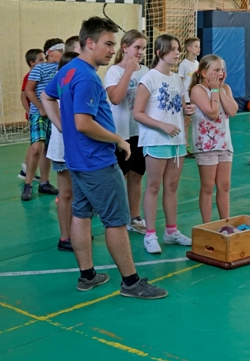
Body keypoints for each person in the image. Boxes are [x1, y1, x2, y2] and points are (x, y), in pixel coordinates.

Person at [43, 16, 167, 299]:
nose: (113, 50)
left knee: (81, 213)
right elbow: (83, 123)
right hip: (96, 160)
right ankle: (131, 282)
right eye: (108, 44)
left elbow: (48, 98)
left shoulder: (68, 69)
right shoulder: (87, 77)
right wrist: (118, 139)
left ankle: (87, 276)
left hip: (77, 159)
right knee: (116, 221)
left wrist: (61, 126)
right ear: (90, 43)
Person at [134, 34, 195, 252]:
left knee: (172, 187)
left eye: (178, 49)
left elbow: (180, 108)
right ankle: (150, 234)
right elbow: (137, 113)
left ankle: (171, 231)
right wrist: (163, 126)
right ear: (160, 53)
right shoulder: (149, 78)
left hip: (177, 141)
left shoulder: (178, 79)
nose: (177, 53)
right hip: (156, 140)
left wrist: (188, 110)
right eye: (173, 49)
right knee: (153, 186)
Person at [104, 30, 149, 233]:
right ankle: (117, 217)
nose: (140, 52)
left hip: (141, 132)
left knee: (137, 175)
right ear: (124, 48)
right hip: (121, 134)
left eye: (143, 48)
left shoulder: (146, 71)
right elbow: (116, 98)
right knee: (119, 177)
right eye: (137, 47)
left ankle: (134, 216)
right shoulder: (114, 71)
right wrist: (129, 71)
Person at [189, 55, 237, 222]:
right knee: (208, 186)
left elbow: (232, 110)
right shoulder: (198, 90)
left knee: (224, 185)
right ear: (204, 73)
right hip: (206, 145)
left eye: (222, 70)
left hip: (224, 144)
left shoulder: (225, 89)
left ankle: (226, 221)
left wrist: (220, 89)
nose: (221, 73)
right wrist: (215, 90)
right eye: (216, 70)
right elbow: (212, 112)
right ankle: (207, 225)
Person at [43, 51, 79, 252]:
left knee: (78, 194)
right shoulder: (59, 88)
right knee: (66, 193)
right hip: (63, 149)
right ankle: (65, 236)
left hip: (78, 148)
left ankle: (76, 231)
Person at [21, 39, 63, 200]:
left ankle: (44, 183)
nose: (63, 53)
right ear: (49, 53)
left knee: (48, 149)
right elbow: (28, 90)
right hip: (39, 113)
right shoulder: (39, 68)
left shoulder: (62, 68)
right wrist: (40, 107)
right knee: (36, 147)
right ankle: (28, 184)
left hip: (55, 113)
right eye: (60, 50)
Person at [17, 48, 45, 181]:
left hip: (38, 113)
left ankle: (27, 169)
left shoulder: (40, 74)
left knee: (35, 144)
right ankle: (26, 170)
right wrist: (29, 112)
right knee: (36, 144)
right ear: (32, 62)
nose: (44, 62)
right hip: (34, 113)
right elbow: (23, 96)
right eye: (41, 60)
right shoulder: (29, 76)